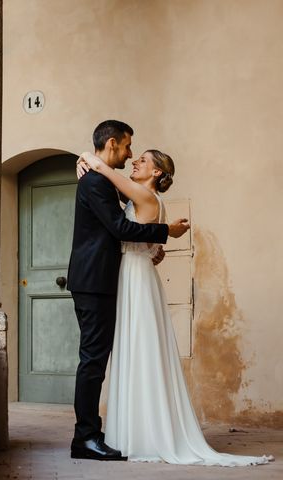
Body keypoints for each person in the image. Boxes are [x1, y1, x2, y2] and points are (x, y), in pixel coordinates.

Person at [77, 148, 273, 466]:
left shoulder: (143, 194)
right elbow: (147, 245)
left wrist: (88, 158)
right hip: (134, 273)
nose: (134, 162)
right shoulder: (146, 199)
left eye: (142, 160)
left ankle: (141, 434)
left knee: (139, 349)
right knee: (135, 349)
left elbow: (105, 174)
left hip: (135, 278)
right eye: (134, 156)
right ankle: (134, 430)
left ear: (156, 173)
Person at [67, 120, 191, 461]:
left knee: (98, 358)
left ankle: (99, 431)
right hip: (95, 281)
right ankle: (86, 438)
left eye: (137, 154)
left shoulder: (104, 180)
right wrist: (165, 232)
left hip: (106, 279)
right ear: (111, 144)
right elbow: (122, 226)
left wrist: (152, 243)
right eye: (127, 147)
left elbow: (130, 217)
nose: (131, 154)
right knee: (93, 360)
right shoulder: (95, 181)